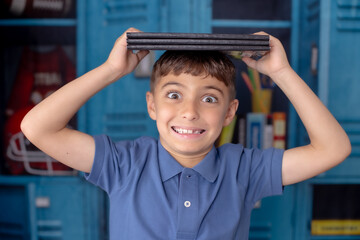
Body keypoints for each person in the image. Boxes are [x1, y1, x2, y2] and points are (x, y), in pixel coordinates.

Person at [21, 28, 351, 240]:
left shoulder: (244, 169)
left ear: (229, 113)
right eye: (174, 95)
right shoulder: (123, 164)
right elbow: (36, 127)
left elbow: (332, 149)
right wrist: (111, 71)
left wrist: (281, 72)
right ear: (152, 106)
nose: (190, 111)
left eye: (209, 98)